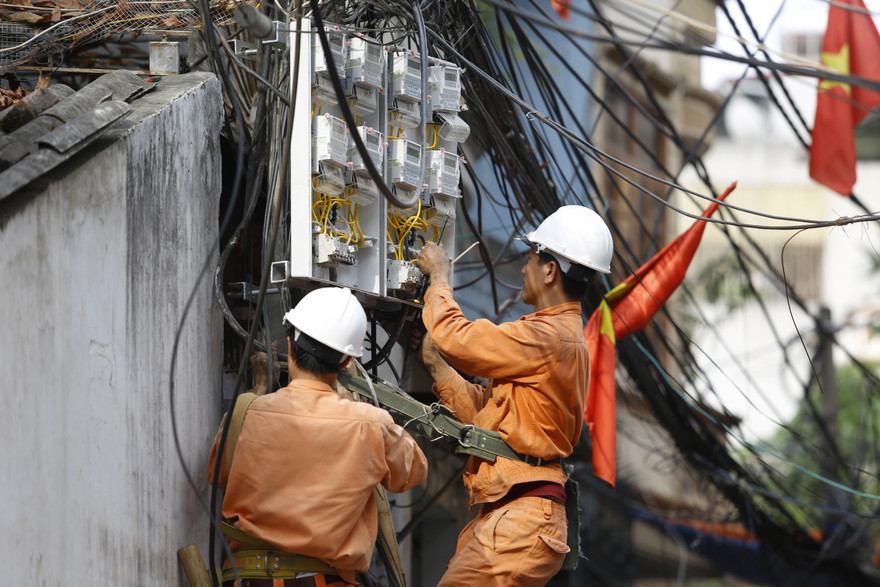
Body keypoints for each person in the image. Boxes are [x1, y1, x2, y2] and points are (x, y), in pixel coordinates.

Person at [414, 205, 613, 586]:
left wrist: (439, 278)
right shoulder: (555, 335)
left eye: (530, 258)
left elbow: (457, 339)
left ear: (550, 271)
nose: (523, 269)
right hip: (514, 513)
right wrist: (438, 368)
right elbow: (491, 420)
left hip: (522, 517)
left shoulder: (549, 338)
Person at [207, 286, 428, 587]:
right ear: (346, 362)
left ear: (290, 345)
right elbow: (412, 473)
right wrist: (355, 408)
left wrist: (257, 391)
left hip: (248, 579)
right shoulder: (369, 424)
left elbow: (217, 474)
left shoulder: (245, 412)